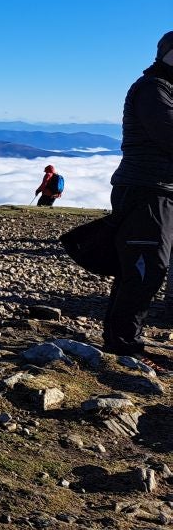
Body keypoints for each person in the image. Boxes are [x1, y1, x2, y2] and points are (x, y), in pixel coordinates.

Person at [101, 30, 173, 363]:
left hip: (161, 189)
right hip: (146, 188)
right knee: (146, 266)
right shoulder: (152, 89)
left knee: (145, 264)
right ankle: (122, 341)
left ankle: (124, 335)